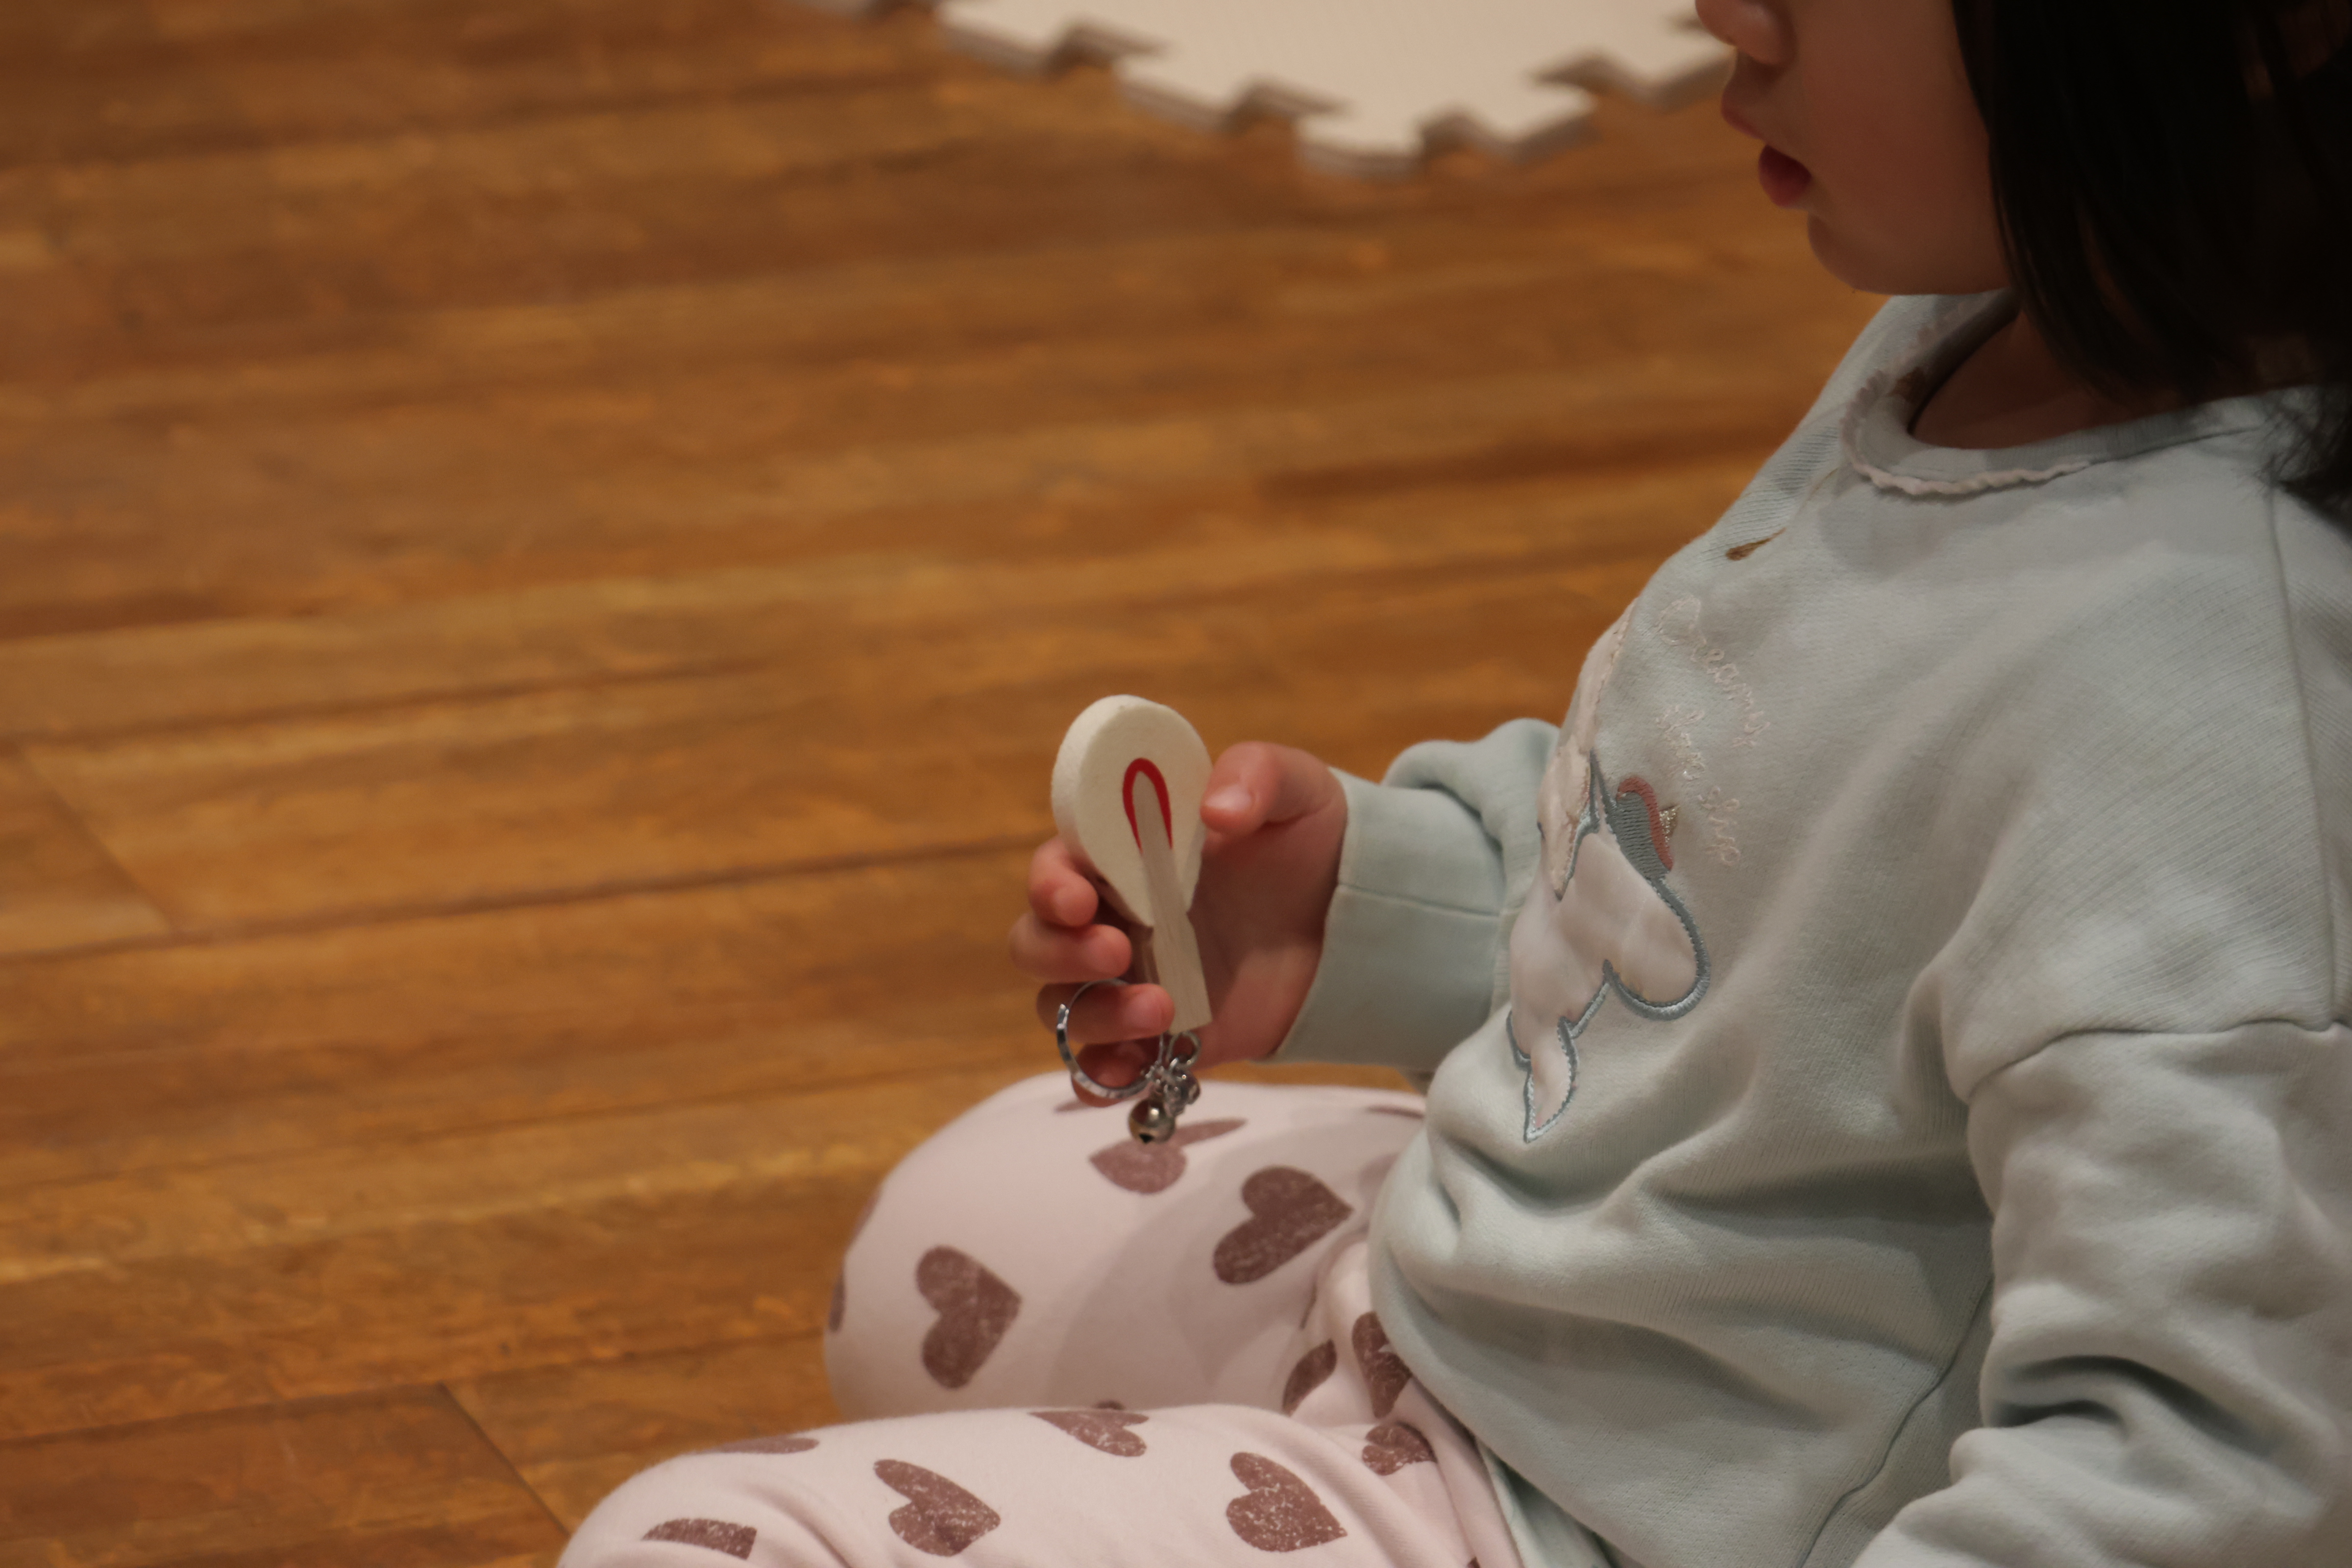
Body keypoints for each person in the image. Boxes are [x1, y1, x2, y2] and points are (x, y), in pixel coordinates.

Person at [560, 0, 2352, 1564]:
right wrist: (1363, 901)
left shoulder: (2210, 694)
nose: (1724, 11)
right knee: (949, 1224)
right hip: (1533, 1323)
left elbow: (2216, 1471)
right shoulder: (1991, 333)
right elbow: (1719, 866)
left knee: (695, 1538)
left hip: (1622, 1516)